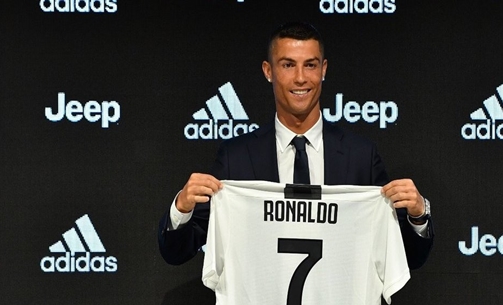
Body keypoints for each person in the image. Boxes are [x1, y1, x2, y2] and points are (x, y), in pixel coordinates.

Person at [158, 21, 433, 270]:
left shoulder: (360, 156)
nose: (301, 78)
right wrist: (181, 208)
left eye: (310, 65)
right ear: (268, 71)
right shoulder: (236, 158)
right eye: (288, 65)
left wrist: (418, 216)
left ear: (324, 70)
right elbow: (176, 252)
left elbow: (407, 256)